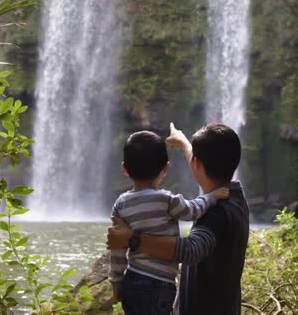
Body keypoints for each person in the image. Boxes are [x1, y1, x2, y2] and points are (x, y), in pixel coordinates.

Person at [107, 123, 250, 315]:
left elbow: (191, 249)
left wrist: (131, 240)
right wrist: (183, 143)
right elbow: (203, 171)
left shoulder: (219, 212)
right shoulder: (230, 196)